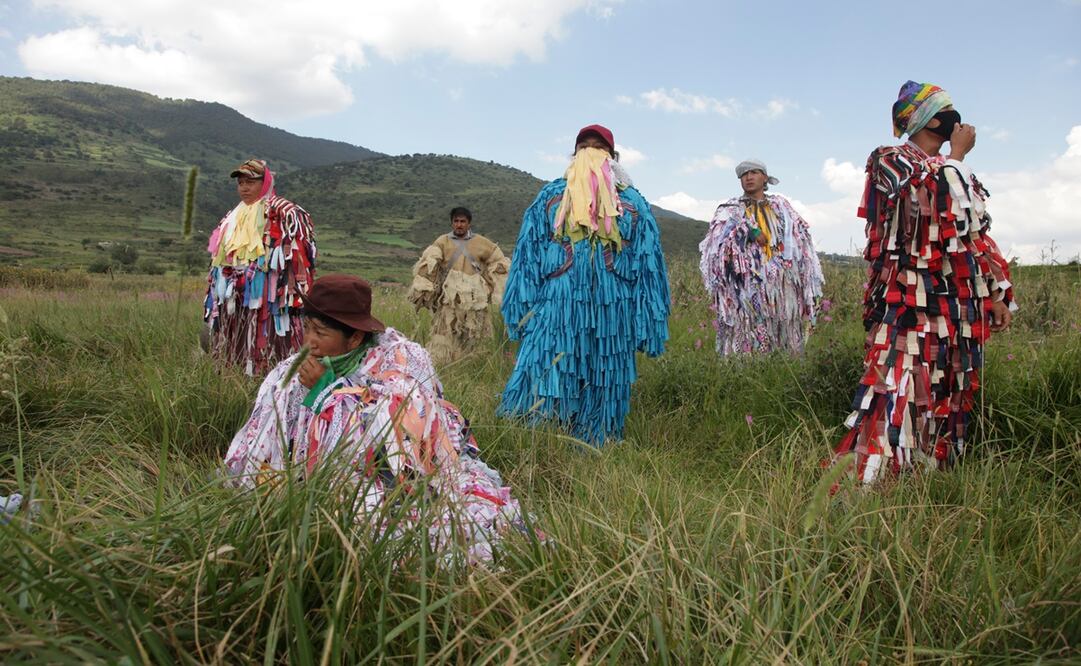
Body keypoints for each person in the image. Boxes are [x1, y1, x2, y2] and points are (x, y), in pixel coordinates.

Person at [223, 274, 535, 562]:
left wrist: (327, 392)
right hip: (319, 470)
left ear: (355, 338)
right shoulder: (297, 366)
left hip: (391, 474)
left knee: (379, 519)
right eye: (306, 329)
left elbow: (400, 436)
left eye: (321, 332)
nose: (309, 342)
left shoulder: (402, 360)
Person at [832, 81, 1016, 484]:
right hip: (908, 307)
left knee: (946, 389)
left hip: (955, 309)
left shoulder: (954, 169)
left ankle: (928, 472)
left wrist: (997, 294)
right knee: (899, 386)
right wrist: (957, 158)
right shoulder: (890, 160)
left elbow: (971, 237)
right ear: (932, 118)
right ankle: (873, 479)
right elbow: (920, 205)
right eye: (948, 110)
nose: (958, 119)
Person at [498, 124, 670, 445]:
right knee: (548, 364)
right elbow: (527, 255)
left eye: (599, 146)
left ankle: (597, 438)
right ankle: (541, 438)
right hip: (557, 303)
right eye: (584, 146)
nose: (591, 151)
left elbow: (649, 264)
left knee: (605, 372)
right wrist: (519, 310)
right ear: (574, 154)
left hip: (613, 307)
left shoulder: (632, 201)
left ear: (612, 156)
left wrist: (648, 322)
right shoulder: (551, 196)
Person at [699, 159, 824, 356]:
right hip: (747, 288)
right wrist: (746, 230)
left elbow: (799, 239)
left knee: (782, 325)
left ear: (764, 177)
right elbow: (716, 250)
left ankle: (782, 362)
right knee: (747, 326)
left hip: (781, 285)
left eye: (754, 173)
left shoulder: (781, 206)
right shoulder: (730, 210)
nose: (748, 177)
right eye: (744, 175)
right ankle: (746, 366)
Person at [204, 158, 316, 375]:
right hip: (233, 292)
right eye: (240, 183)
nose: (244, 188)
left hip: (269, 295)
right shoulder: (230, 217)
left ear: (264, 183)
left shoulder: (283, 211)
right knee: (235, 334)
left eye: (250, 182)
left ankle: (274, 375)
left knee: (269, 335)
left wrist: (288, 289)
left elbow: (297, 255)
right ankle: (235, 373)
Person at [408, 207, 510, 364]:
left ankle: (469, 365)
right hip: (448, 301)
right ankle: (442, 365)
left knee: (473, 336)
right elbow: (429, 262)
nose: (459, 225)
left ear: (469, 223)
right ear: (451, 223)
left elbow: (499, 263)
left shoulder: (482, 243)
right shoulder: (442, 242)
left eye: (463, 221)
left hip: (474, 302)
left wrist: (489, 287)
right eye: (456, 221)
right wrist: (425, 289)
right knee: (443, 336)